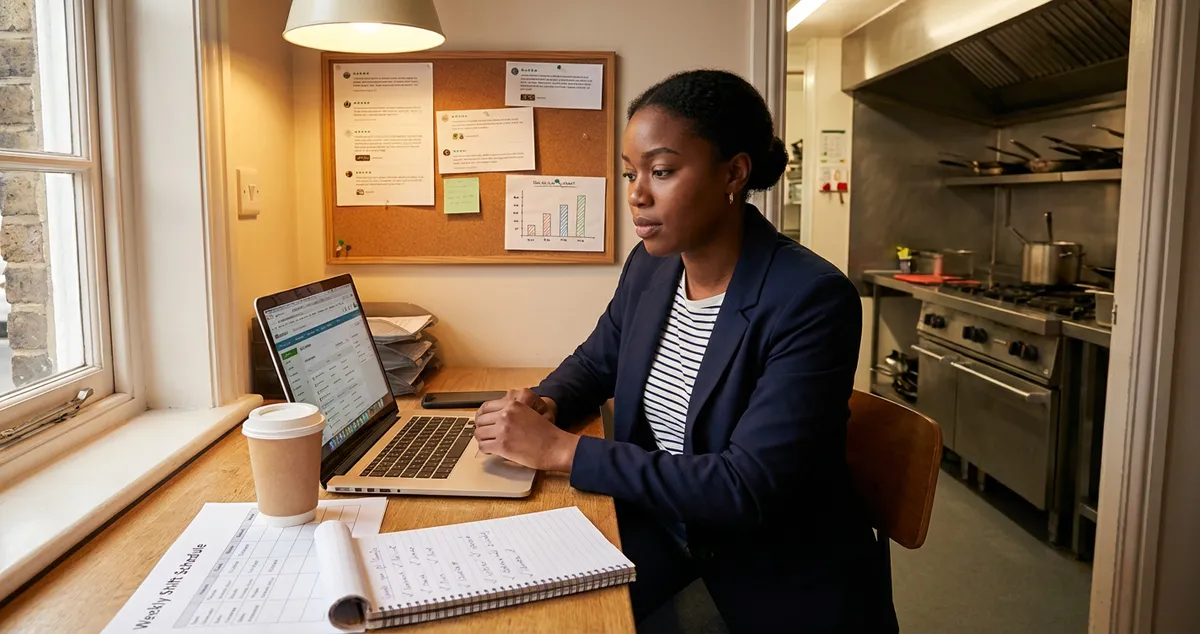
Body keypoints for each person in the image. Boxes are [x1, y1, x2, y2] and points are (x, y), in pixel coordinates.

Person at [472, 69, 897, 633]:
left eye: (662, 171)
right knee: (521, 607)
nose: (636, 195)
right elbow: (600, 358)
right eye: (630, 173)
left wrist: (562, 452)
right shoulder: (653, 265)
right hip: (666, 533)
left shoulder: (812, 299)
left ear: (733, 173)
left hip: (776, 572)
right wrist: (548, 402)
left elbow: (744, 486)